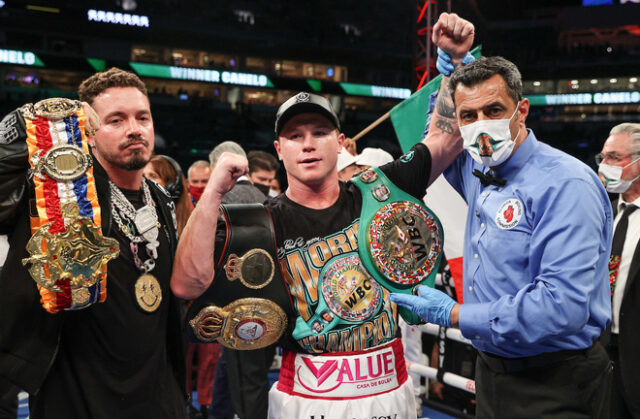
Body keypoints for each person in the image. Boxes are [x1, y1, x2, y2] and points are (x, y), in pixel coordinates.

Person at [170, 17, 468, 415]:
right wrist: (211, 194)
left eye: (319, 133)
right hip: (309, 397)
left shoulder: (382, 188)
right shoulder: (260, 221)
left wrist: (456, 62)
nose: (308, 145)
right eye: (295, 136)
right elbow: (187, 285)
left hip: (389, 386)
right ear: (279, 148)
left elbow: (445, 139)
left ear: (340, 142)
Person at [391, 13, 613, 418]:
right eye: (468, 116)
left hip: (557, 380)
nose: (481, 126)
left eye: (493, 110)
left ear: (522, 110)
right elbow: (437, 137)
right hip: (493, 372)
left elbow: (561, 306)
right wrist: (452, 64)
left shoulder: (566, 184)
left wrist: (455, 314)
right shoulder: (479, 168)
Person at [0, 67, 187, 418]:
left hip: (156, 396)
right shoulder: (58, 191)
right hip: (75, 396)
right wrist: (43, 116)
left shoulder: (161, 200)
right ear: (89, 130)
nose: (134, 128)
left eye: (142, 117)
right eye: (115, 120)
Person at [597, 123, 640, 418]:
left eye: (614, 158)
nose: (605, 166)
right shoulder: (603, 213)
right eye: (603, 158)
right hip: (602, 349)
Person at [144, 154, 193, 235]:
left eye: (153, 176)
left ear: (171, 186)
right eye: (143, 176)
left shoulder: (194, 221)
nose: (145, 181)